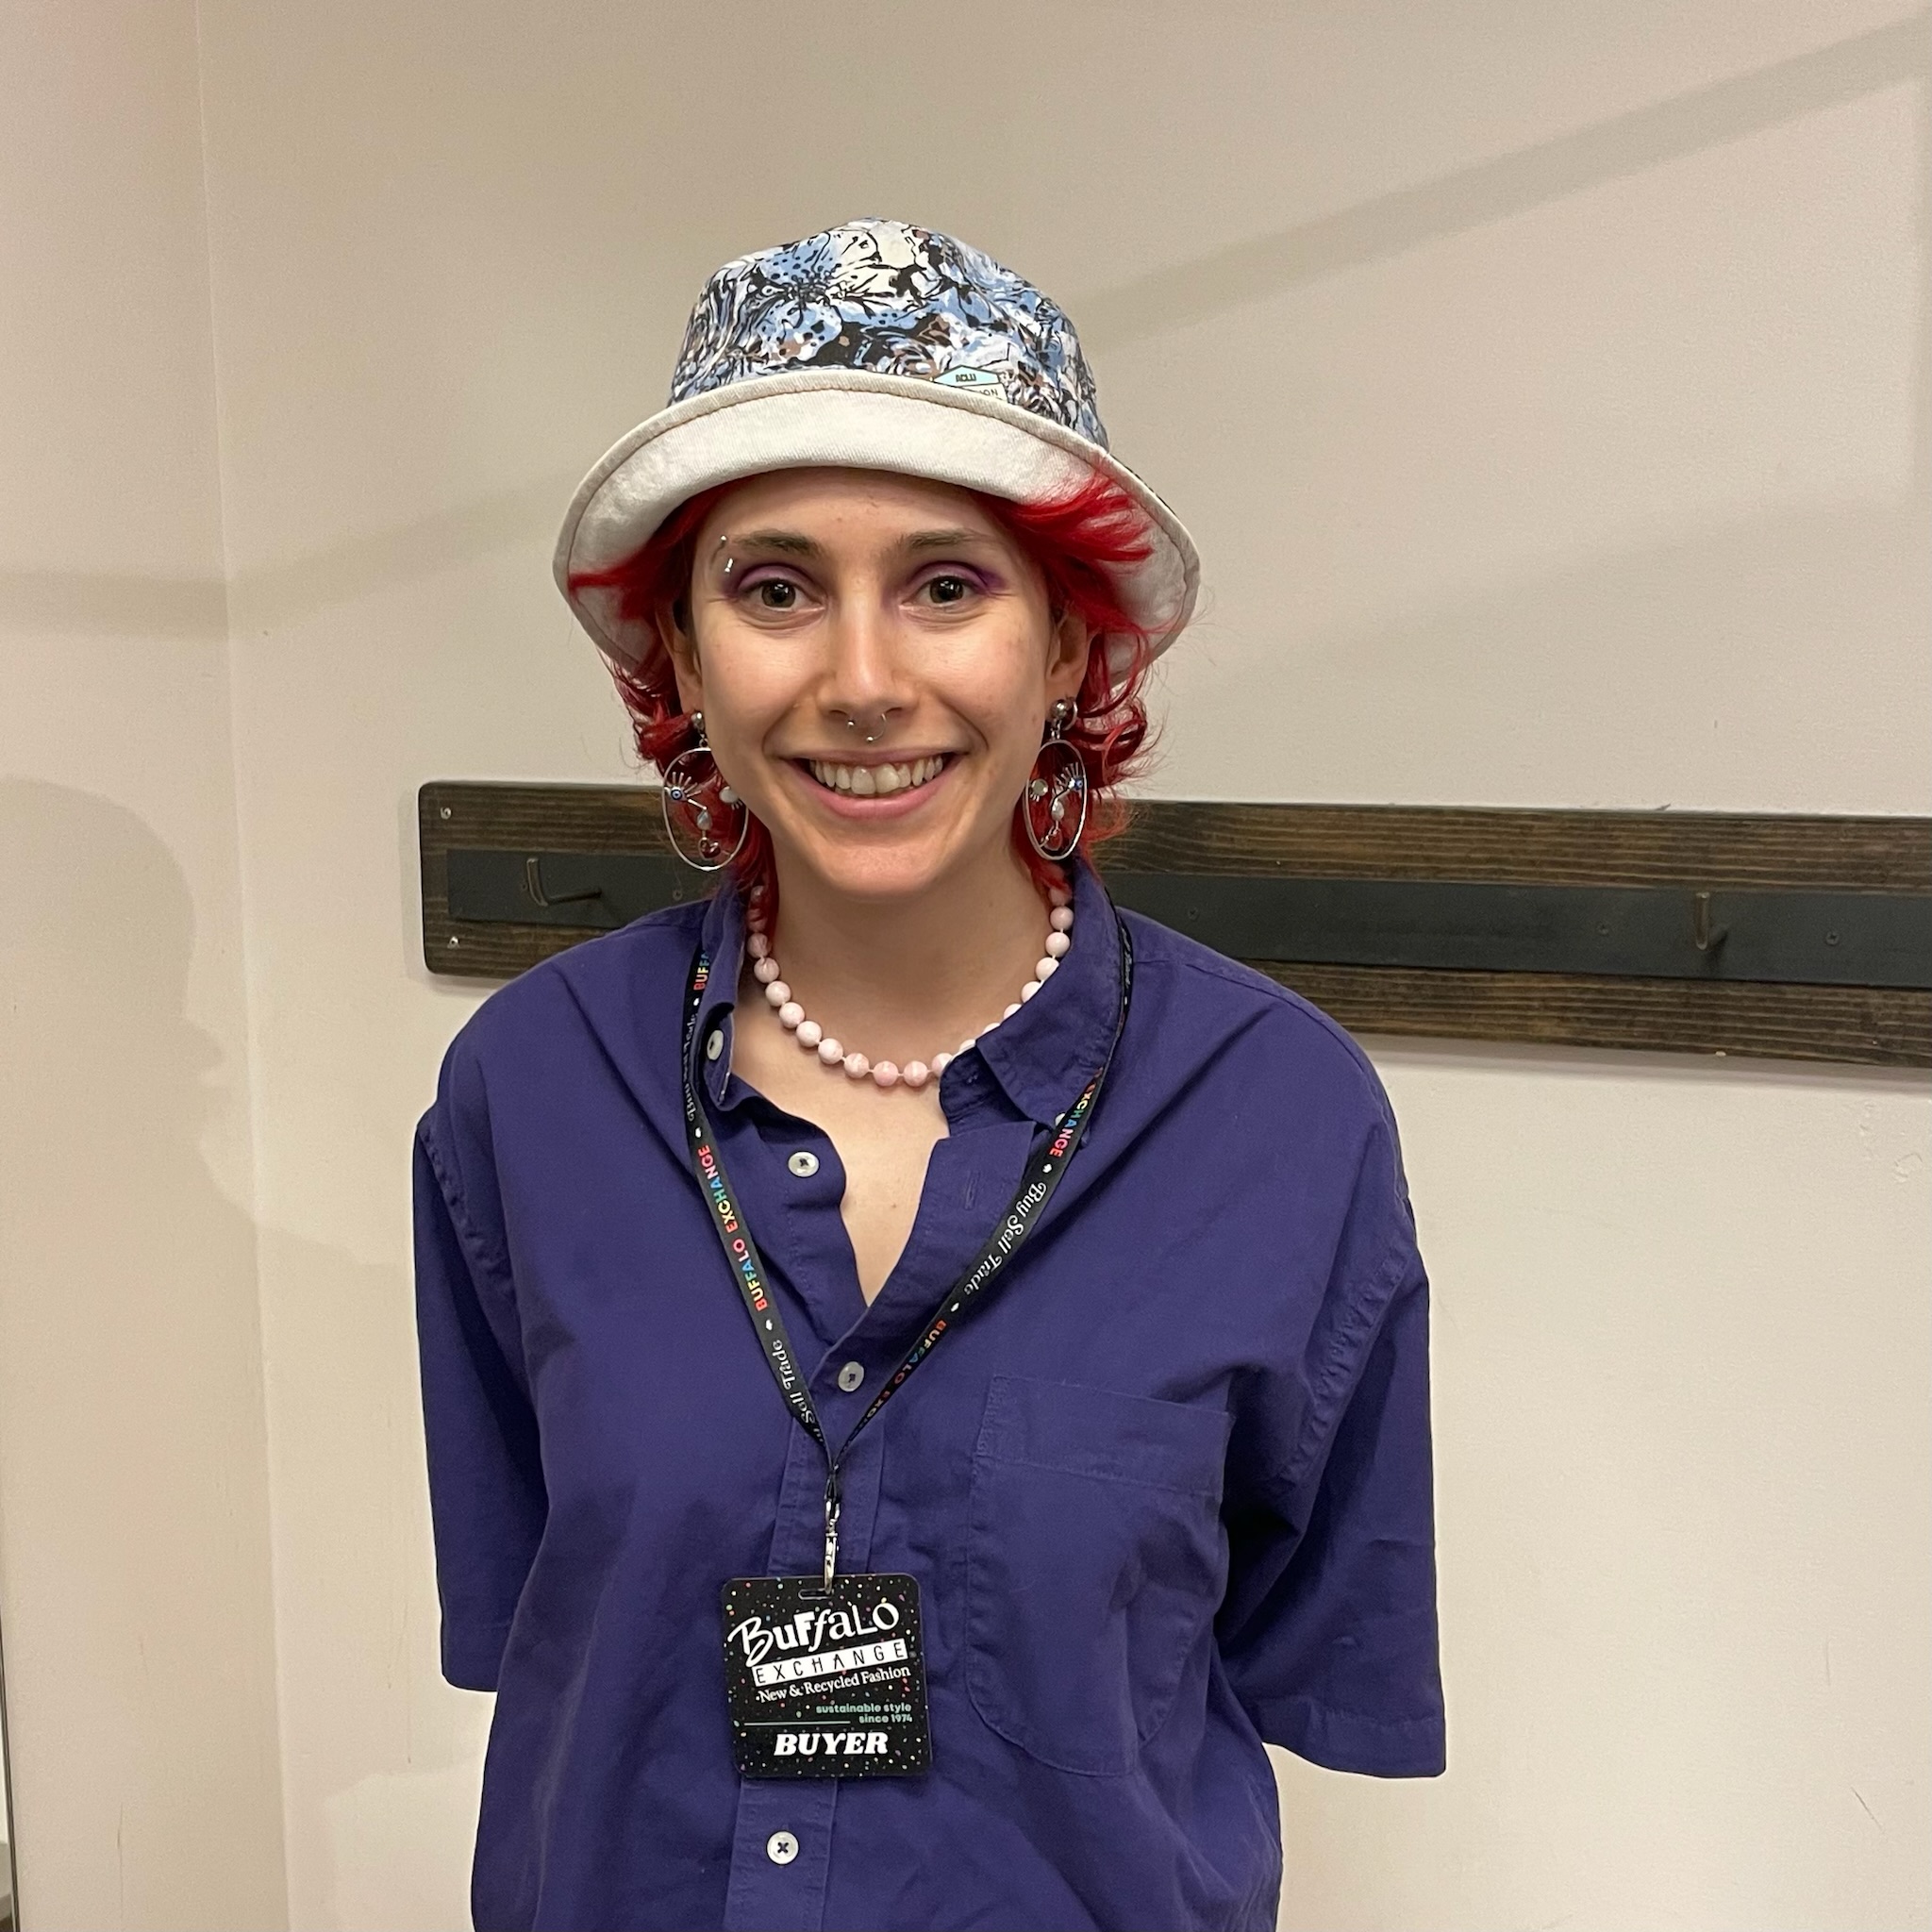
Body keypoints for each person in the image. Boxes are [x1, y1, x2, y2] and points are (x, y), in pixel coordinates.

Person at [413, 218, 1443, 1932]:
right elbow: (544, 1602)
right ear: (677, 652)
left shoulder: (1284, 1118)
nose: (866, 682)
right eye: (775, 587)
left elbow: (1283, 1643)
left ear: (1068, 646)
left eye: (948, 584)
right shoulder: (529, 1089)